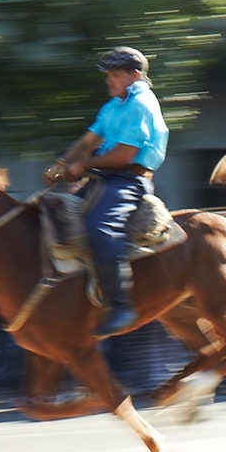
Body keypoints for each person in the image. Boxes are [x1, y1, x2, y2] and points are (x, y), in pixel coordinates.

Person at [45, 46, 169, 338]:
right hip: (103, 179)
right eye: (109, 75)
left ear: (135, 75)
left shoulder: (141, 103)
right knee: (55, 217)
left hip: (128, 181)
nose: (109, 80)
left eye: (114, 74)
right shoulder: (113, 105)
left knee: (100, 228)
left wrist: (83, 165)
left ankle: (120, 305)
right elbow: (88, 139)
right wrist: (62, 164)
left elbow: (126, 154)